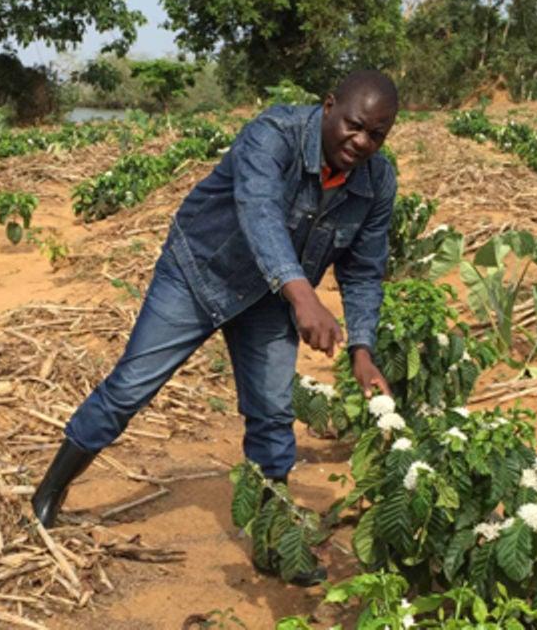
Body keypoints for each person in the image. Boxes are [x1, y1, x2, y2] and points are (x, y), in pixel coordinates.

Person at [32, 69, 399, 584]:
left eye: (376, 134)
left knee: (272, 414)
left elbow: (364, 269)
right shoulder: (272, 135)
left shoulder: (376, 182)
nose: (361, 142)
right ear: (328, 106)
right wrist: (304, 297)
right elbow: (260, 214)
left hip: (271, 296)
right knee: (130, 387)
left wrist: (362, 349)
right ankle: (49, 492)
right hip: (200, 271)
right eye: (354, 126)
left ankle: (273, 543)